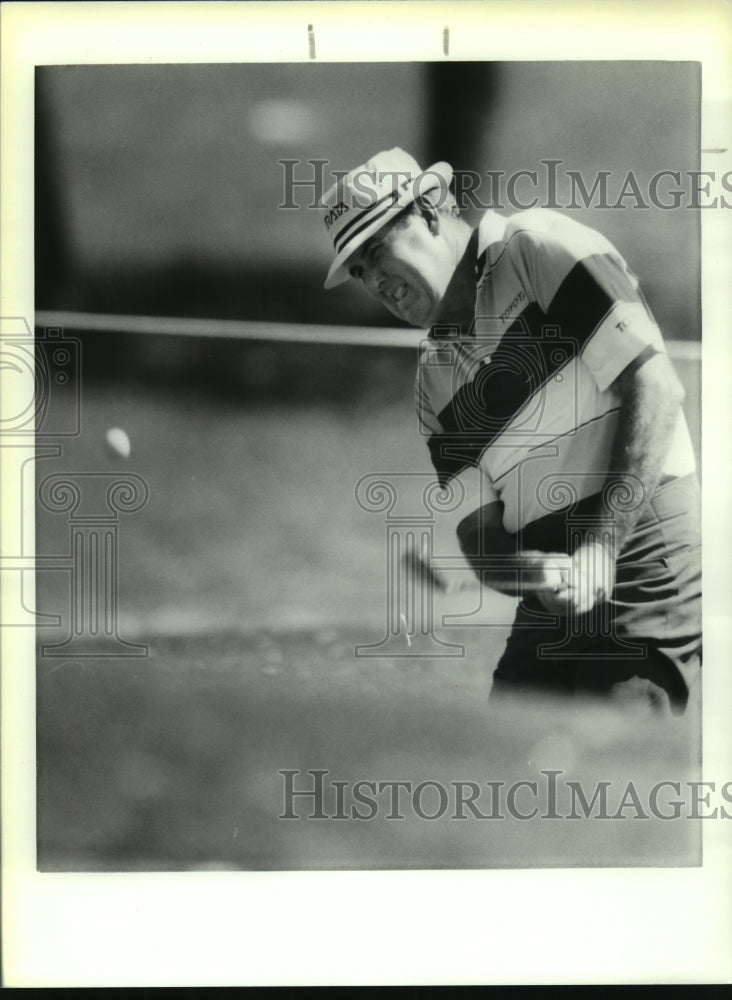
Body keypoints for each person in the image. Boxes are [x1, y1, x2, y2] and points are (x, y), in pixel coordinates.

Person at [320, 147, 701, 716]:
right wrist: (534, 571)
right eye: (360, 271)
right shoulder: (432, 382)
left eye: (378, 251)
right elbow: (480, 538)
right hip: (556, 592)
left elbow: (656, 387)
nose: (376, 282)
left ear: (429, 211)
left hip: (642, 550)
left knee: (609, 774)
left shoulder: (537, 249)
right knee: (504, 760)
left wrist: (599, 548)